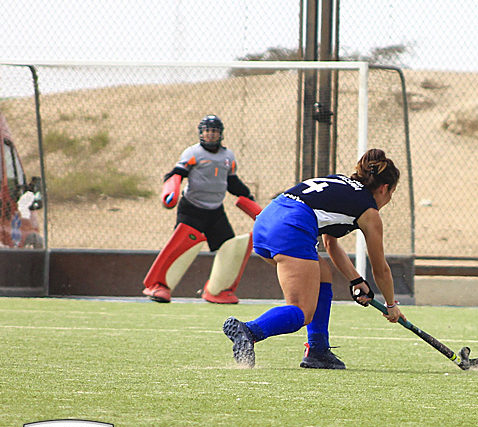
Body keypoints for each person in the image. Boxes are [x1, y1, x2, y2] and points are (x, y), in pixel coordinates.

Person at [222, 148, 405, 369]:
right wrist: (391, 305)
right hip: (292, 226)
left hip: (267, 220)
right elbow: (380, 269)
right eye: (391, 194)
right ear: (385, 188)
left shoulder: (340, 183)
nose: (388, 200)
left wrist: (356, 280)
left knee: (322, 274)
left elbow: (330, 243)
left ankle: (318, 349)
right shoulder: (369, 212)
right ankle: (249, 331)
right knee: (302, 310)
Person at [142, 115, 257, 304]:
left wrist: (248, 198)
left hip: (215, 211)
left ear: (220, 134)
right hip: (191, 209)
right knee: (180, 247)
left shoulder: (228, 156)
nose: (211, 135)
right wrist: (171, 190)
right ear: (201, 133)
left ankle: (217, 291)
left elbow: (232, 182)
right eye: (207, 131)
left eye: (215, 131)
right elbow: (176, 174)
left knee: (229, 248)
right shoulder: (192, 153)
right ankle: (158, 286)